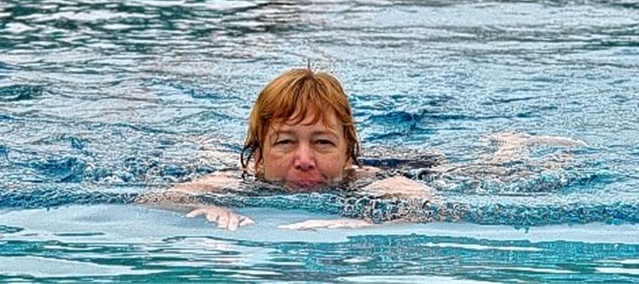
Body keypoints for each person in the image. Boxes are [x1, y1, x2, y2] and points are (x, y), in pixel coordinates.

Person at [142, 68, 432, 230]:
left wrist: (368, 224)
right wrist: (210, 205)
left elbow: (428, 208)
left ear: (347, 156)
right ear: (257, 157)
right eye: (285, 142)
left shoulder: (373, 183)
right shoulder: (237, 181)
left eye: (323, 142)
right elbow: (152, 201)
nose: (304, 160)